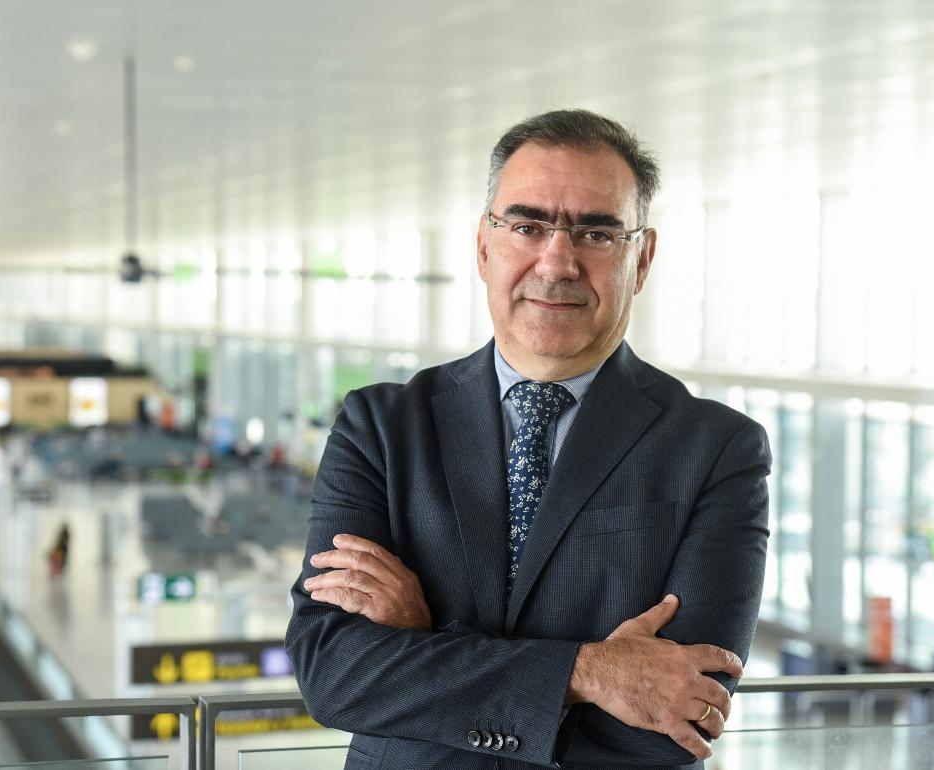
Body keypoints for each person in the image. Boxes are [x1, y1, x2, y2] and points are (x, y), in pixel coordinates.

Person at [285, 109, 771, 770]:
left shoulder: (715, 450)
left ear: (643, 257)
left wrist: (423, 643)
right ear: (484, 247)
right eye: (527, 225)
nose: (557, 260)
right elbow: (333, 673)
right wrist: (591, 671)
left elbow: (678, 716)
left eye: (597, 233)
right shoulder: (381, 429)